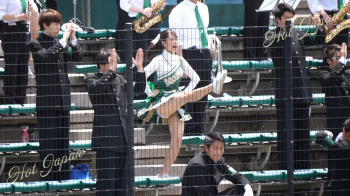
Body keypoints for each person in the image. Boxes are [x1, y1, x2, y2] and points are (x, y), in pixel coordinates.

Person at [136, 29, 227, 177]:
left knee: (178, 140)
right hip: (163, 102)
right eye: (171, 39)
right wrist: (150, 91)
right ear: (164, 43)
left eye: (176, 39)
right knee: (184, 97)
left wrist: (186, 91)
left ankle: (163, 173)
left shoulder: (180, 60)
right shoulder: (158, 60)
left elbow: (195, 78)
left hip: (177, 101)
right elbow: (142, 75)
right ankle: (212, 86)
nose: (175, 42)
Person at [265, 3, 325, 170]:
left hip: (302, 91)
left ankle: (303, 170)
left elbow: (317, 39)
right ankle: (286, 170)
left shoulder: (297, 33)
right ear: (277, 20)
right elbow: (273, 46)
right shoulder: (271, 35)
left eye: (292, 18)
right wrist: (287, 29)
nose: (291, 21)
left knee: (302, 135)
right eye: (287, 18)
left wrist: (319, 27)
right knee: (286, 134)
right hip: (286, 94)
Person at [85, 48, 145, 196]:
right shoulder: (91, 78)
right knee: (106, 187)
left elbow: (139, 91)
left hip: (122, 140)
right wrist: (111, 71)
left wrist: (139, 69)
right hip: (106, 141)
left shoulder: (119, 79)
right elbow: (97, 90)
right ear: (101, 64)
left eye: (116, 62)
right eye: (112, 62)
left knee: (122, 187)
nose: (116, 65)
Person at [29, 9, 81, 181]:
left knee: (62, 144)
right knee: (49, 144)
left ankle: (63, 179)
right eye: (55, 23)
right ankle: (48, 180)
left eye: (60, 23)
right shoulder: (36, 43)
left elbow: (78, 58)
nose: (59, 26)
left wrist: (72, 38)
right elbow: (44, 57)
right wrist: (63, 41)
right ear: (45, 25)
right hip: (47, 101)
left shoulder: (61, 42)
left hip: (63, 99)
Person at [169, 0, 212, 136]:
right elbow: (176, 41)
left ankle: (199, 129)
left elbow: (204, 32)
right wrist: (181, 64)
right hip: (188, 55)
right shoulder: (177, 11)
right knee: (188, 94)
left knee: (203, 93)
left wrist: (211, 51)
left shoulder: (204, 8)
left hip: (204, 54)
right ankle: (188, 131)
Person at [181, 132, 253, 196]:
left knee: (242, 189)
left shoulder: (219, 161)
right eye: (215, 148)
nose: (218, 152)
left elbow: (236, 176)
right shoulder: (196, 165)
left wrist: (247, 187)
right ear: (206, 148)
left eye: (221, 148)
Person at [0, 0, 38, 104]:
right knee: (12, 67)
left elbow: (36, 14)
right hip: (10, 30)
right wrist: (18, 17)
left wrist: (33, 9)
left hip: (25, 30)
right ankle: (10, 101)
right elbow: (1, 15)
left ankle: (21, 100)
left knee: (23, 67)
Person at [319, 43, 350, 138]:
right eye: (338, 58)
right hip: (336, 122)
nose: (341, 60)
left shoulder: (347, 73)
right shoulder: (323, 74)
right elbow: (331, 79)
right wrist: (342, 63)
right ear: (329, 60)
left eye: (341, 58)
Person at [315, 118, 350, 196]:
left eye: (343, 131)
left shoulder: (344, 148)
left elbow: (321, 138)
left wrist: (324, 134)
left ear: (348, 134)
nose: (342, 134)